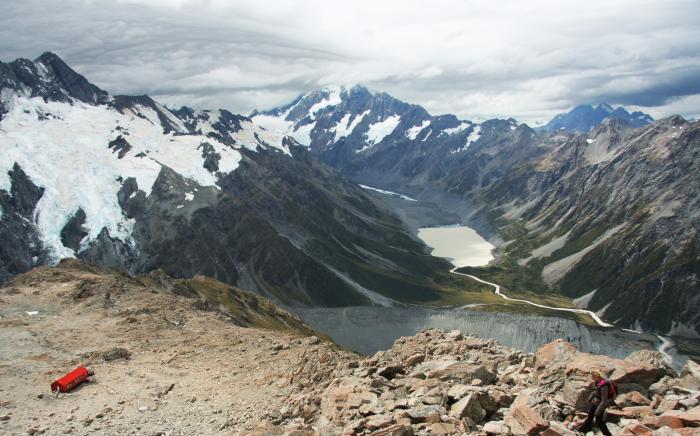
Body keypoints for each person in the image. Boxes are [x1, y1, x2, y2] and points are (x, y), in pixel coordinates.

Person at [578, 371, 612, 436]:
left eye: (592, 376)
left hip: (601, 404)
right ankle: (583, 429)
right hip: (595, 402)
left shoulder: (604, 385)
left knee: (599, 420)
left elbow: (604, 400)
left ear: (597, 376)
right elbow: (594, 391)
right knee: (590, 417)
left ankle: (607, 434)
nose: (591, 378)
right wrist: (590, 398)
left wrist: (598, 410)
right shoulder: (596, 382)